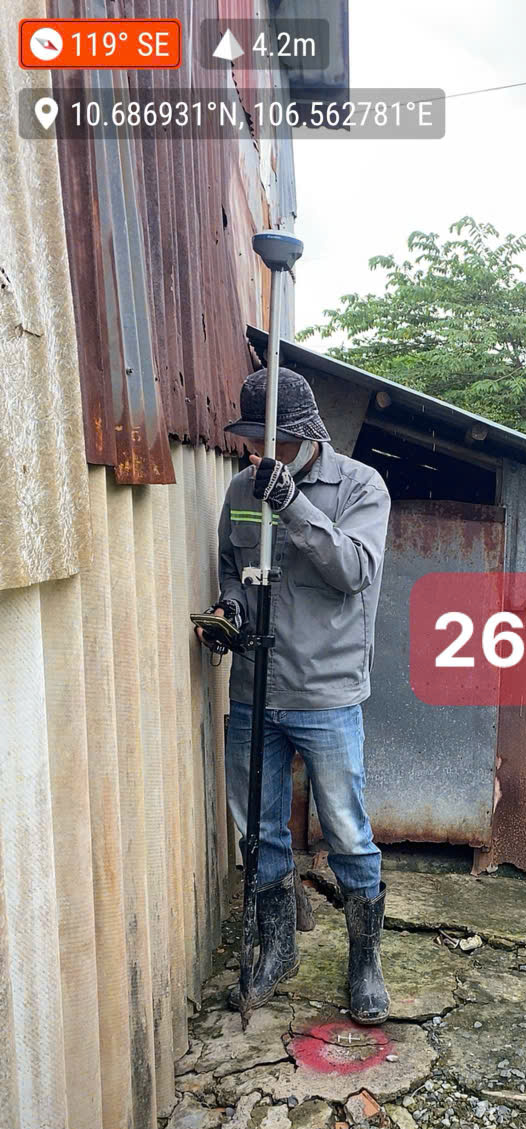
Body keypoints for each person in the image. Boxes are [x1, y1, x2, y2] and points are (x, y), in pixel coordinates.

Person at [195, 366, 392, 1023]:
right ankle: (276, 947)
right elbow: (232, 564)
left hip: (326, 693)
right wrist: (229, 605)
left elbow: (353, 570)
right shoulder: (240, 488)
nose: (258, 451)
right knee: (258, 828)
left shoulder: (360, 486)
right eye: (252, 438)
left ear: (305, 434)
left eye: (269, 438)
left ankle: (365, 961)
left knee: (345, 829)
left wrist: (292, 505)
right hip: (254, 686)